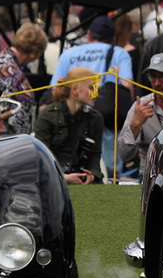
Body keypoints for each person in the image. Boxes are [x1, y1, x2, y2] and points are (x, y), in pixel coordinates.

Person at [51, 13, 135, 176]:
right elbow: (127, 86)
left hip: (71, 116)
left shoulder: (69, 53)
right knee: (110, 171)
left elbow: (56, 87)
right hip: (106, 120)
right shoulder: (119, 52)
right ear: (114, 37)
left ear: (89, 34)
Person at [34, 65, 104, 184]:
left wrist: (92, 175)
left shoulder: (95, 118)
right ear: (74, 89)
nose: (96, 93)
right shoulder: (48, 115)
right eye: (91, 88)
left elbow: (95, 156)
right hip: (52, 181)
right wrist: (63, 177)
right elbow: (41, 158)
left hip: (86, 183)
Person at [0, 22, 47, 136]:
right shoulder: (8, 69)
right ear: (33, 53)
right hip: (4, 138)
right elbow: (1, 107)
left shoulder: (2, 59)